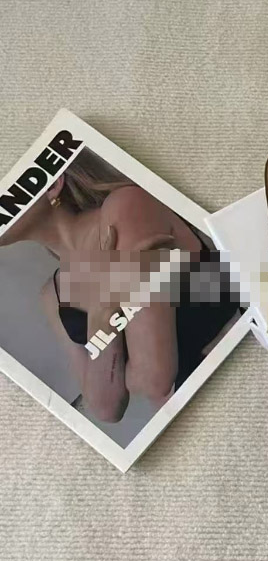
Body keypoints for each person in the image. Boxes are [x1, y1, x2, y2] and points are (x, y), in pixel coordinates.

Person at [0, 149, 239, 423]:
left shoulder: (125, 208)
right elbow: (104, 408)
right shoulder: (52, 295)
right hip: (194, 417)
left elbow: (153, 381)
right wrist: (102, 313)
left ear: (52, 185)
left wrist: (111, 366)